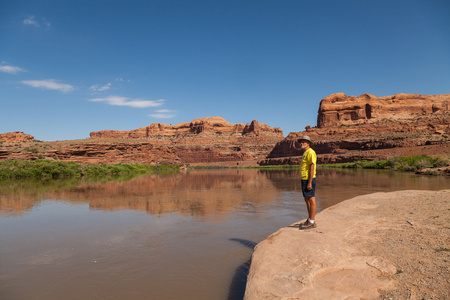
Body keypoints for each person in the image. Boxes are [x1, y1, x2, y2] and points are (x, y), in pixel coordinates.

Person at [298, 136, 317, 230]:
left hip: (309, 179)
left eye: (303, 142)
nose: (301, 143)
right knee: (307, 199)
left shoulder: (310, 152)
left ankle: (312, 222)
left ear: (308, 143)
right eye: (301, 142)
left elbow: (312, 167)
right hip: (304, 179)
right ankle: (309, 219)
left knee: (311, 200)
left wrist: (309, 182)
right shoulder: (305, 153)